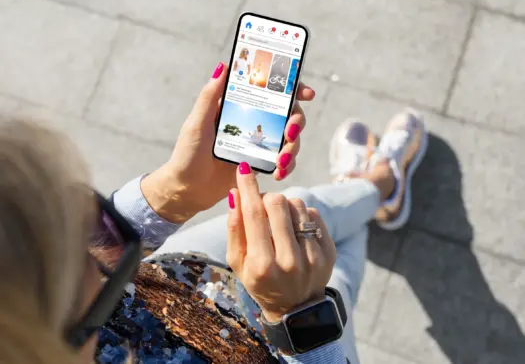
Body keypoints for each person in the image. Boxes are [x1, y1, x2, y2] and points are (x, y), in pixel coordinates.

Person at [0, 60, 428, 364]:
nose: (99, 247)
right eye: (83, 257)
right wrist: (301, 320)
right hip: (273, 340)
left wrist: (175, 190)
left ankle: (373, 189)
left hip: (187, 277)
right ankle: (380, 185)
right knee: (335, 273)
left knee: (305, 209)